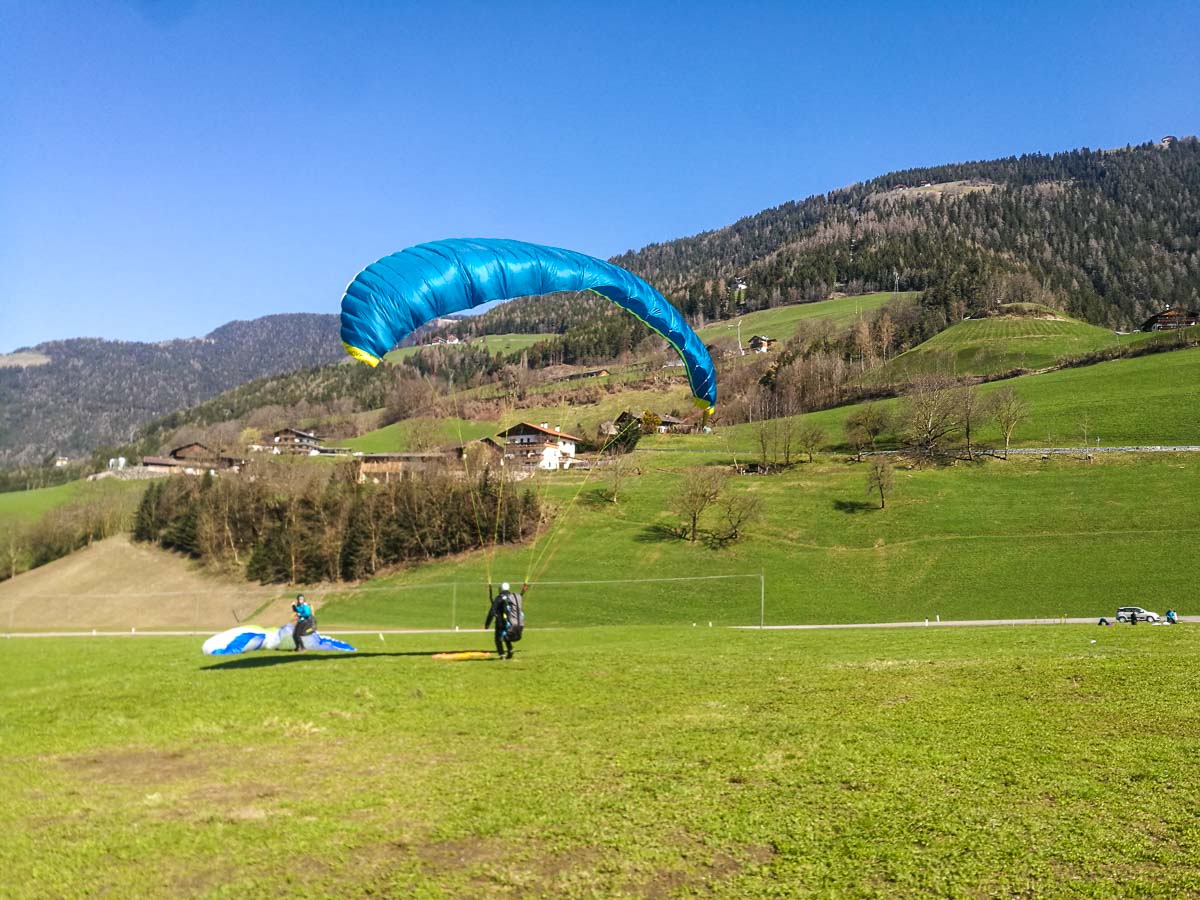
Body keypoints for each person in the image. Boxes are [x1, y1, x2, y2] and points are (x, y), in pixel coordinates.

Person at [485, 582, 522, 660]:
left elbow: (492, 611)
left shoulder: (499, 598)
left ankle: (502, 654)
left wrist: (487, 624)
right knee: (506, 636)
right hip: (510, 621)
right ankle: (510, 649)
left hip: (500, 622)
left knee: (498, 638)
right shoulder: (511, 597)